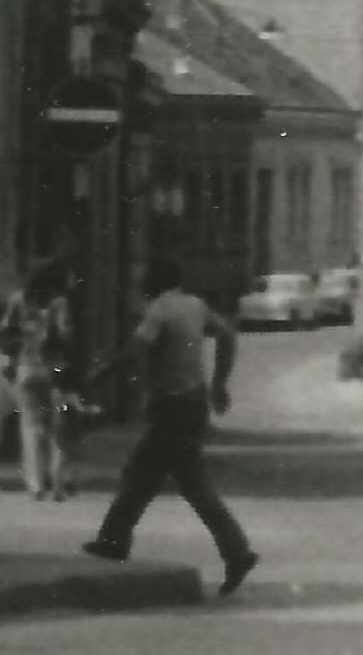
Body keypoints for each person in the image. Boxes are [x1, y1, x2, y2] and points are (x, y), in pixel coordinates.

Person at [81, 251, 258, 595]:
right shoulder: (195, 305)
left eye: (145, 279)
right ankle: (115, 538)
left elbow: (135, 349)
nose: (141, 284)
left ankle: (116, 540)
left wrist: (101, 373)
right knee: (165, 478)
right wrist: (220, 383)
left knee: (157, 477)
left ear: (155, 282)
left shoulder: (159, 309)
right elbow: (228, 336)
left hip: (171, 407)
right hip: (193, 404)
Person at [9, 262, 78, 503]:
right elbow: (65, 335)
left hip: (26, 366)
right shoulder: (59, 303)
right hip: (54, 369)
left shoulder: (18, 300)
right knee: (57, 429)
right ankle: (57, 483)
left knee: (31, 427)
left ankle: (36, 484)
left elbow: (6, 330)